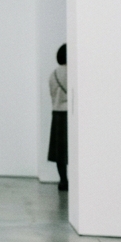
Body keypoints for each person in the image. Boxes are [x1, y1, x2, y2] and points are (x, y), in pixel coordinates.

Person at [48, 44, 68, 191]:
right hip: (70, 115)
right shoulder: (72, 72)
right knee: (72, 149)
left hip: (57, 114)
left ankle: (63, 181)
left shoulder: (53, 74)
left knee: (59, 151)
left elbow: (52, 95)